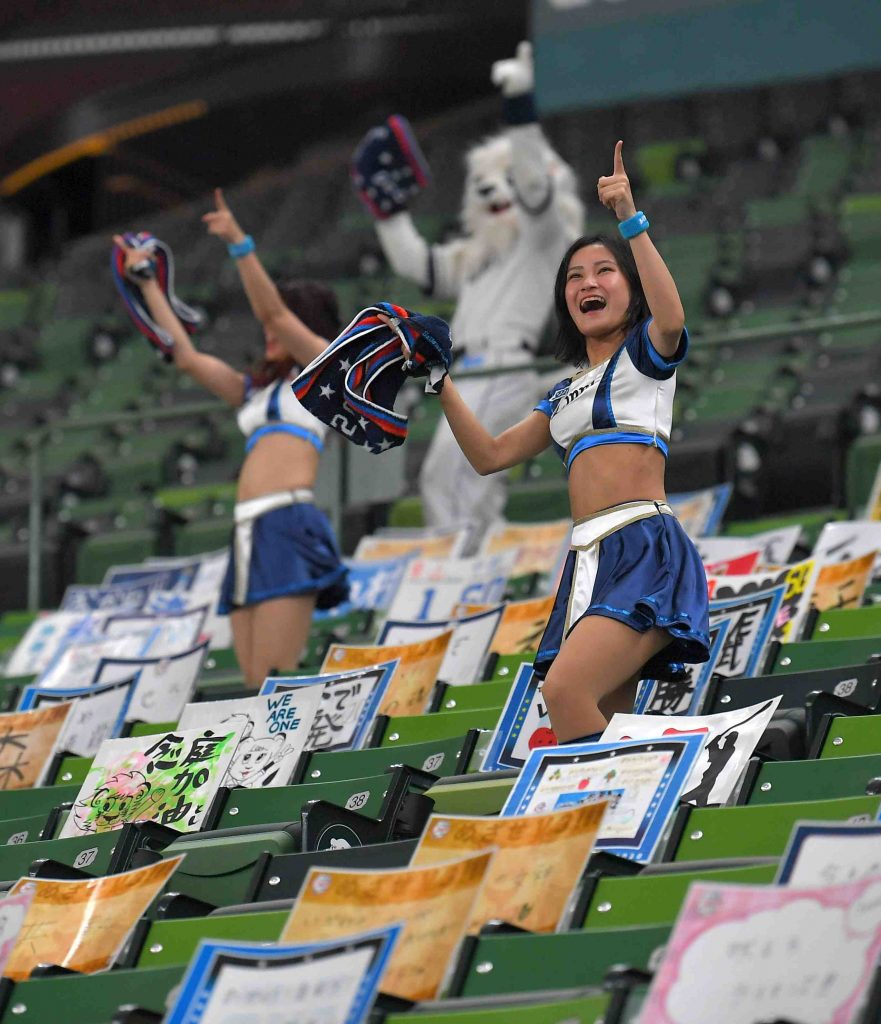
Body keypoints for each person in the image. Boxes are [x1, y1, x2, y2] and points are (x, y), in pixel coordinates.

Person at [394, 142, 710, 740]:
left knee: (564, 690)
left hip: (642, 545)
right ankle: (619, 823)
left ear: (630, 289)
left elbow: (671, 318)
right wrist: (441, 381)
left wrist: (629, 219)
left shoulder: (645, 355)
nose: (587, 282)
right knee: (597, 720)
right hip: (586, 560)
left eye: (603, 271)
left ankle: (609, 813)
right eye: (574, 277)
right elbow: (490, 457)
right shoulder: (563, 392)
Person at [355, 42, 583, 542]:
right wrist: (388, 216)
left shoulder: (543, 240)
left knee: (458, 478)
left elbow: (534, 188)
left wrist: (521, 112)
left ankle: (467, 575)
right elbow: (421, 265)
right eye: (483, 181)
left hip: (505, 364)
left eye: (500, 180)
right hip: (468, 371)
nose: (491, 191)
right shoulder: (480, 255)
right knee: (449, 479)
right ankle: (477, 567)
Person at [114, 202, 348, 688]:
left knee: (273, 680)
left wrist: (238, 241)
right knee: (250, 680)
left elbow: (275, 314)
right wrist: (148, 285)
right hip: (246, 531)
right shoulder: (258, 392)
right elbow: (186, 357)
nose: (266, 331)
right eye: (264, 329)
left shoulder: (325, 371)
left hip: (288, 523)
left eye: (276, 327)